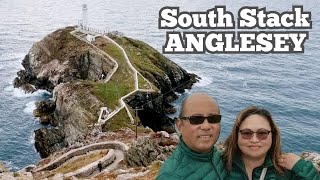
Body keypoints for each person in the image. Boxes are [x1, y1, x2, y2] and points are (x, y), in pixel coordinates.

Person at [222, 106, 319, 180]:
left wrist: (302, 168)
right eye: (247, 133)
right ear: (236, 135)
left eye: (262, 133)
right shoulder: (219, 164)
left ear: (273, 135)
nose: (254, 140)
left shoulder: (287, 172)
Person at [156, 92, 226, 180]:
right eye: (196, 119)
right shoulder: (170, 176)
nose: (206, 126)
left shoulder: (220, 157)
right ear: (180, 125)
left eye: (213, 119)